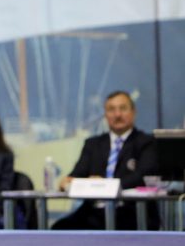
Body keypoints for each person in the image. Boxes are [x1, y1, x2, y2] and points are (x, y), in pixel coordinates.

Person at [53, 91, 160, 231]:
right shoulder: (92, 144)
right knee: (60, 228)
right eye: (111, 109)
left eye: (123, 108)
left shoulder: (147, 142)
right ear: (105, 115)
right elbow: (77, 174)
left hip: (131, 211)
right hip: (93, 212)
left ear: (134, 112)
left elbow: (141, 177)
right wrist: (68, 181)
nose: (117, 114)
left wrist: (104, 185)